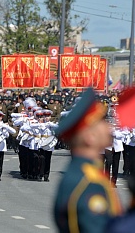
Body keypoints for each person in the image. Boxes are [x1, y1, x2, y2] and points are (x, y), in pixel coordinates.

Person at [53, 88, 122, 233]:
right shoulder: (88, 182)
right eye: (101, 122)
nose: (108, 127)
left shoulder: (88, 173)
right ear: (89, 136)